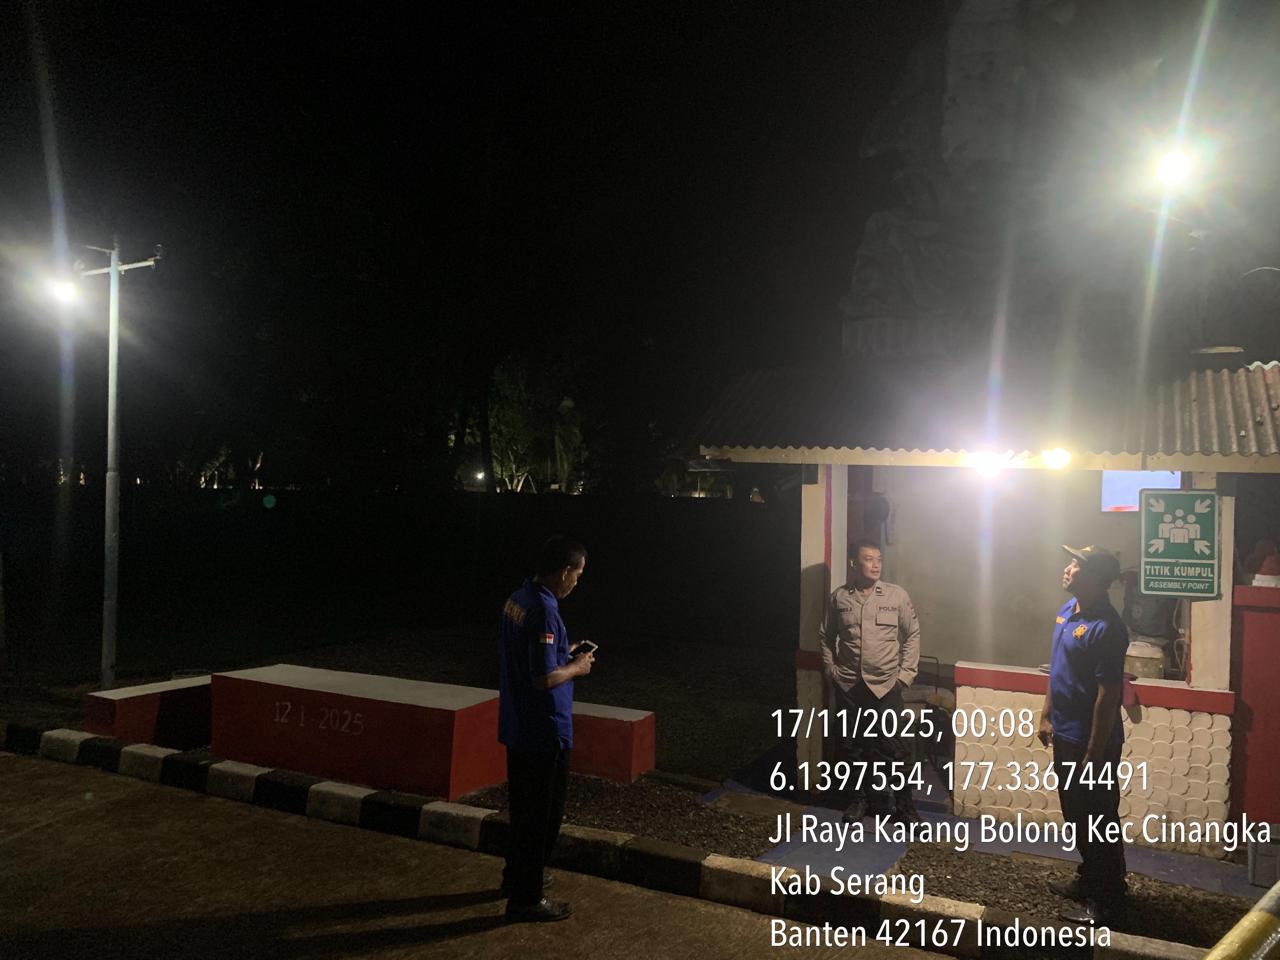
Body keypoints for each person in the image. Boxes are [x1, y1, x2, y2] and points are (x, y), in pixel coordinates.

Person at [498, 535, 594, 923]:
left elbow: (530, 655)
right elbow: (542, 678)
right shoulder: (543, 610)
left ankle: (517, 877)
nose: (577, 583)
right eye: (578, 575)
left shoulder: (518, 599)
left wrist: (564, 653)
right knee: (543, 816)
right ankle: (527, 898)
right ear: (565, 571)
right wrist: (577, 667)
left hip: (519, 723)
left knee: (523, 810)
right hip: (544, 729)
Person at [1038, 544, 1129, 927]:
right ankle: (1090, 878)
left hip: (1092, 744)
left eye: (1076, 564)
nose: (1068, 567)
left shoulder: (1108, 628)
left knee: (1098, 818)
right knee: (1077, 815)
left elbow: (1108, 697)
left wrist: (1094, 751)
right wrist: (1046, 716)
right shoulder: (1066, 611)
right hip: (1065, 735)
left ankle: (1108, 899)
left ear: (1095, 578)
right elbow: (1057, 668)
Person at [818, 540, 921, 824]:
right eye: (868, 559)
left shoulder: (896, 596)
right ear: (854, 563)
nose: (875, 565)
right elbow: (826, 636)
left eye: (879, 559)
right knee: (853, 747)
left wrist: (905, 676)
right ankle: (859, 800)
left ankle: (904, 807)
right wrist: (831, 670)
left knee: (895, 749)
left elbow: (912, 635)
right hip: (850, 687)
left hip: (886, 687)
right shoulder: (840, 598)